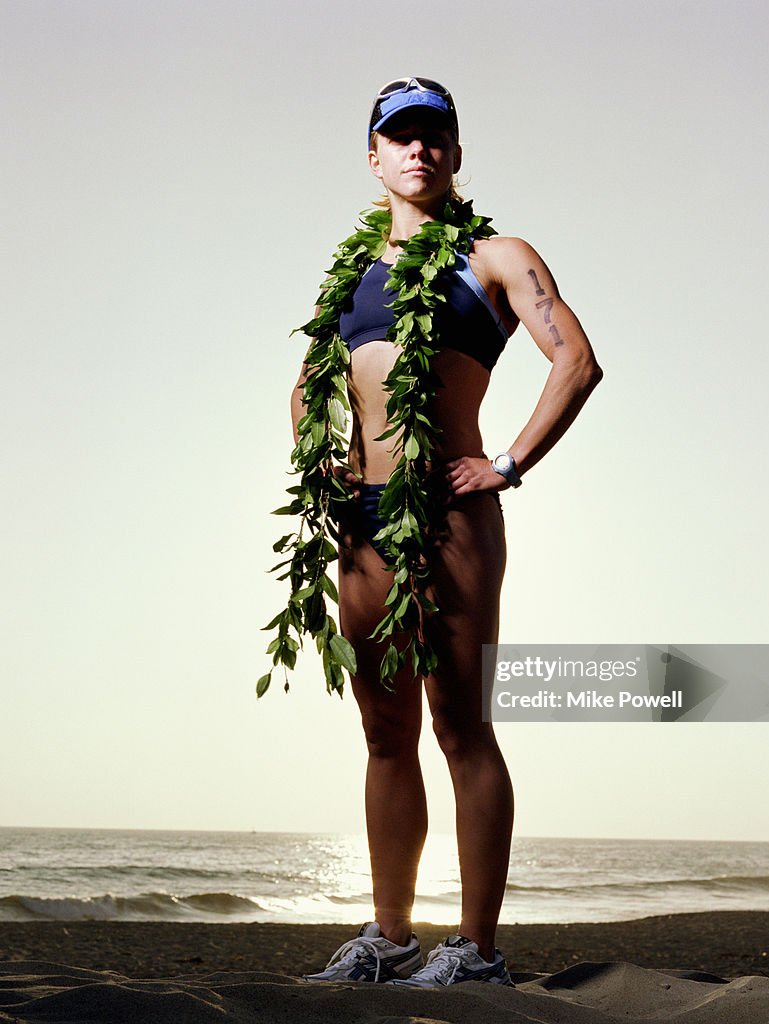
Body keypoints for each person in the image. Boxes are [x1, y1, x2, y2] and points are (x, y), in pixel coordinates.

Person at [292, 77, 602, 987]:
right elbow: (313, 380)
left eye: (436, 136)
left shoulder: (497, 257)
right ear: (375, 155)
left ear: (456, 154)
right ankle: (389, 939)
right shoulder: (350, 276)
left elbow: (576, 360)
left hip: (454, 514)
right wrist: (314, 458)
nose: (419, 150)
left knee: (461, 728)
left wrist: (508, 463)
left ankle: (476, 952)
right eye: (401, 136)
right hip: (360, 522)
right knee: (385, 734)